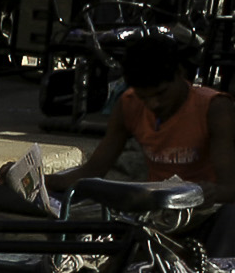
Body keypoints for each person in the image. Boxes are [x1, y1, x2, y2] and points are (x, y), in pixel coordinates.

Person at [38, 29, 235, 211]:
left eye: (161, 93)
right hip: (155, 208)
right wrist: (42, 180)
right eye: (144, 97)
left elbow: (229, 189)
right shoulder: (129, 104)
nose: (153, 104)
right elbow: (94, 170)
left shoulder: (214, 108)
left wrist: (205, 193)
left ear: (180, 74)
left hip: (206, 210)